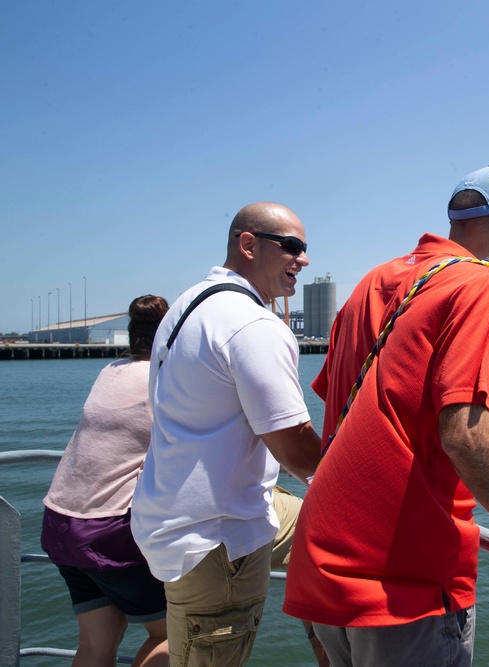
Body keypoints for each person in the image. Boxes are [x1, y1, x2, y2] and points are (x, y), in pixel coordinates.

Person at [284, 166, 489, 666]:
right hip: (403, 584)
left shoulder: (372, 282)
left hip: (324, 567)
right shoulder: (479, 284)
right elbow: (466, 434)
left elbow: (341, 403)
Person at [130, 202, 324, 667]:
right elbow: (297, 449)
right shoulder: (253, 324)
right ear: (248, 245)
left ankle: (332, 644)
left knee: (328, 528)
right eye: (291, 246)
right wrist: (366, 484)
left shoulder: (188, 305)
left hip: (175, 513)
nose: (303, 259)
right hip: (218, 540)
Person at [41, 294, 171, 667]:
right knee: (172, 634)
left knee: (96, 644)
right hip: (107, 530)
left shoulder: (110, 370)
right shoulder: (161, 382)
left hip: (60, 523)